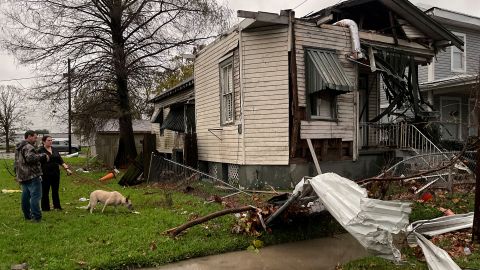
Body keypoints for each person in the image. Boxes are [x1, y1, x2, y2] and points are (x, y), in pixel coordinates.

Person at [14, 130, 49, 222]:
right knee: (35, 197)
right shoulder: (28, 146)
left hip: (22, 176)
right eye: (35, 137)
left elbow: (16, 162)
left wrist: (17, 175)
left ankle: (27, 216)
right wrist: (43, 155)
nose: (36, 139)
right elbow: (30, 158)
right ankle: (37, 217)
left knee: (25, 197)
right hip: (32, 176)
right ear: (29, 136)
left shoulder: (18, 147)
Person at [38, 135, 73, 211]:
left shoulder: (54, 149)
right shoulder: (40, 150)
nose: (51, 142)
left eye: (51, 140)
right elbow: (37, 163)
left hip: (55, 173)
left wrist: (67, 169)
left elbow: (60, 160)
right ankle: (45, 208)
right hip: (45, 174)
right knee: (45, 191)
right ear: (44, 141)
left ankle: (57, 206)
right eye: (48, 140)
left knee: (55, 191)